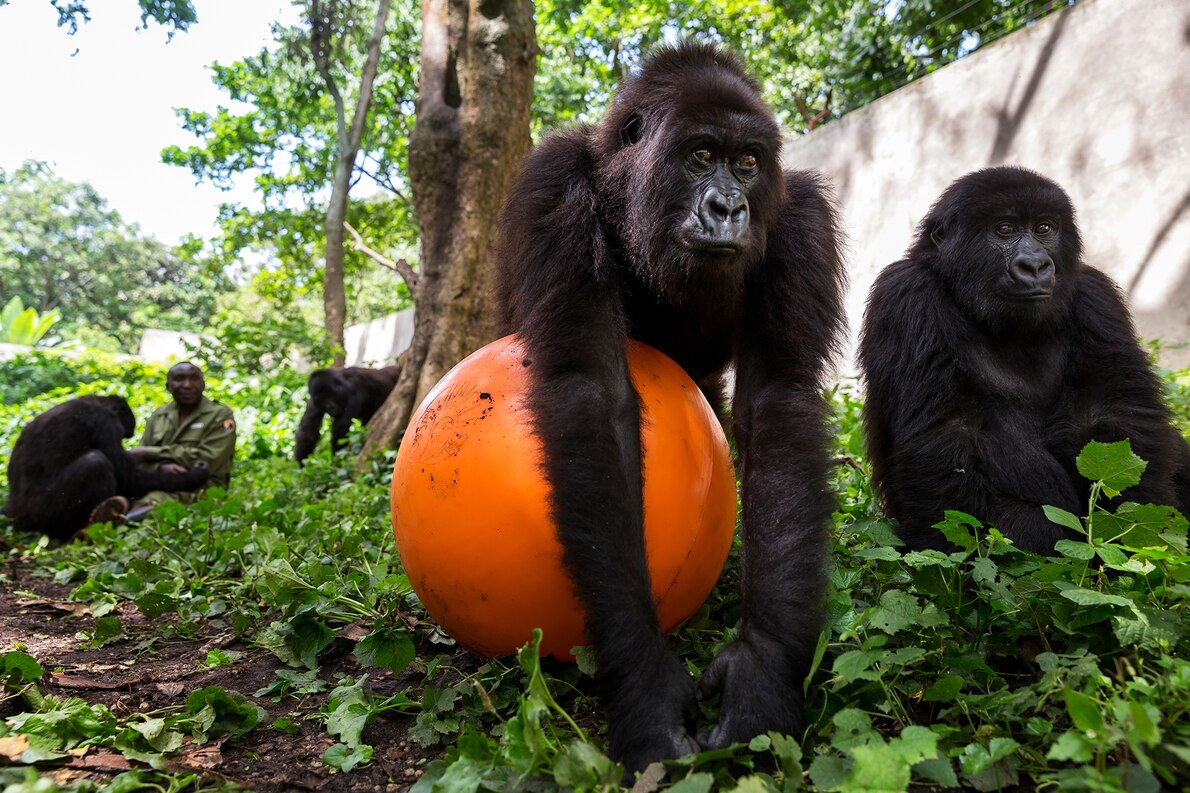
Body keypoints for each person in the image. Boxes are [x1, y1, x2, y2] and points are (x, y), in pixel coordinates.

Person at [88, 361, 236, 524]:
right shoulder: (159, 415)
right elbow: (137, 461)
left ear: (203, 384)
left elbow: (209, 461)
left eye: (194, 379)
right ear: (168, 386)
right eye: (179, 379)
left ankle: (118, 524)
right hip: (159, 479)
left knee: (154, 501)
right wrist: (159, 467)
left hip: (201, 486)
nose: (187, 385)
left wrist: (151, 454)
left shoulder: (221, 416)